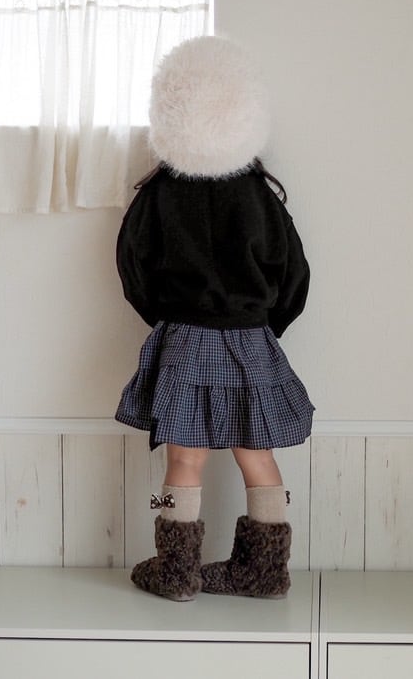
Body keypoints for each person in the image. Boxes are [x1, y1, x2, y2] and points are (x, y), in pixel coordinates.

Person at [115, 35, 313, 602]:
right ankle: (263, 572)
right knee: (258, 453)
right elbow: (294, 274)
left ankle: (177, 573)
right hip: (251, 339)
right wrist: (263, 327)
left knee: (184, 456)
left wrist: (169, 320)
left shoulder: (157, 194)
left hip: (183, 338)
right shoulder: (260, 194)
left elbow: (132, 268)